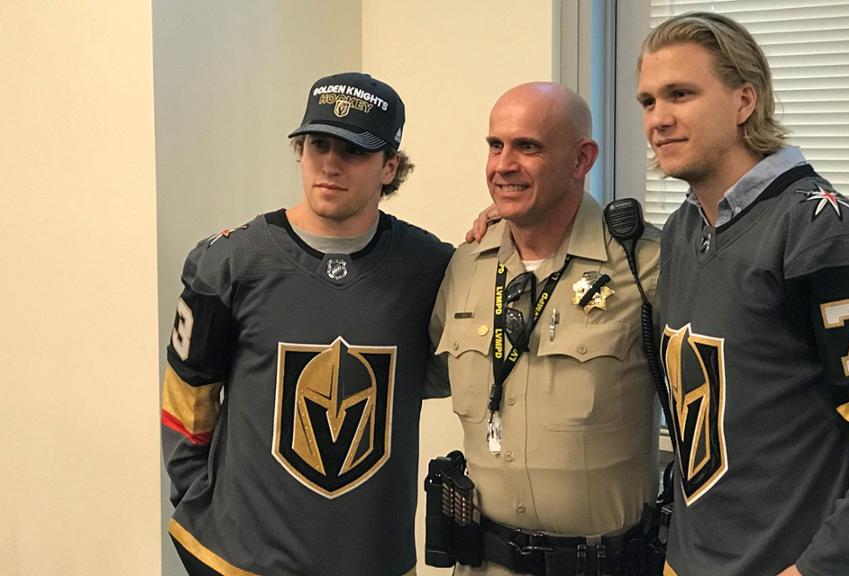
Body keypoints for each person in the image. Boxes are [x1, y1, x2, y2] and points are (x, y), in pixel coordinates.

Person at [636, 12, 849, 576]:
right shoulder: (688, 230)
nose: (659, 119)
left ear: (744, 101)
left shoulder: (830, 238)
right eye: (647, 102)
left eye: (680, 94)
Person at [160, 72, 453, 575]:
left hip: (377, 560)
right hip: (243, 562)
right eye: (318, 144)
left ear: (390, 167)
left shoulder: (432, 268)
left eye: (354, 151)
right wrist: (200, 523)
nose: (330, 164)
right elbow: (187, 402)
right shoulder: (230, 263)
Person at [431, 82, 662, 576]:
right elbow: (424, 372)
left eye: (527, 147)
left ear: (581, 160)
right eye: (496, 145)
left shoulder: (645, 267)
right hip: (482, 564)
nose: (503, 165)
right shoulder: (467, 264)